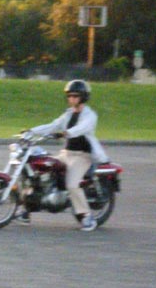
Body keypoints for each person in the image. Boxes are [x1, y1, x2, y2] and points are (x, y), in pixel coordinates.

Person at [24, 79, 107, 232]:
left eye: (75, 96)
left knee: (72, 184)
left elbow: (81, 128)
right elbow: (52, 125)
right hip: (66, 154)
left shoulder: (90, 115)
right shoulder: (68, 114)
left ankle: (87, 217)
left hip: (82, 156)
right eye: (69, 96)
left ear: (83, 97)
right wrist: (31, 131)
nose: (71, 99)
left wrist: (65, 133)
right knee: (40, 169)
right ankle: (27, 209)